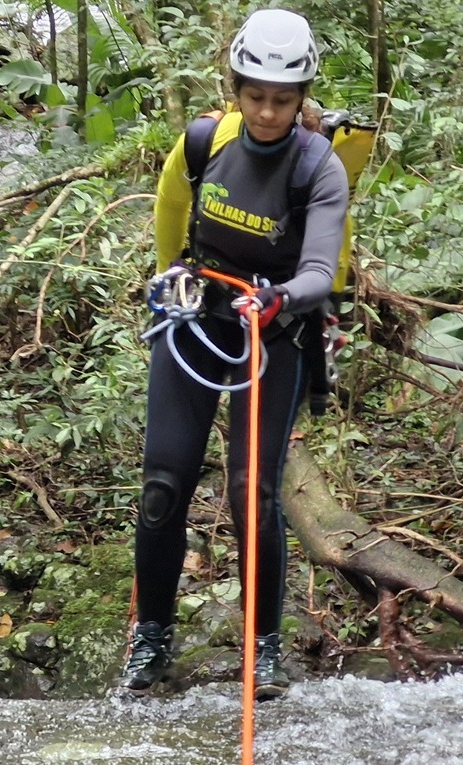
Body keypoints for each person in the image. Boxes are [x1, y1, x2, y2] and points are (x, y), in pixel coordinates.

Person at [118, 7, 349, 699]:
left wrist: (279, 298)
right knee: (164, 485)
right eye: (255, 97)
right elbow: (170, 209)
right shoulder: (202, 142)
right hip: (197, 323)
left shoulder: (319, 167)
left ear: (302, 97)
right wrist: (169, 275)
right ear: (236, 90)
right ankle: (151, 639)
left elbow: (321, 269)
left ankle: (263, 647)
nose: (268, 113)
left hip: (273, 334)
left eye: (283, 99)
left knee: (254, 491)